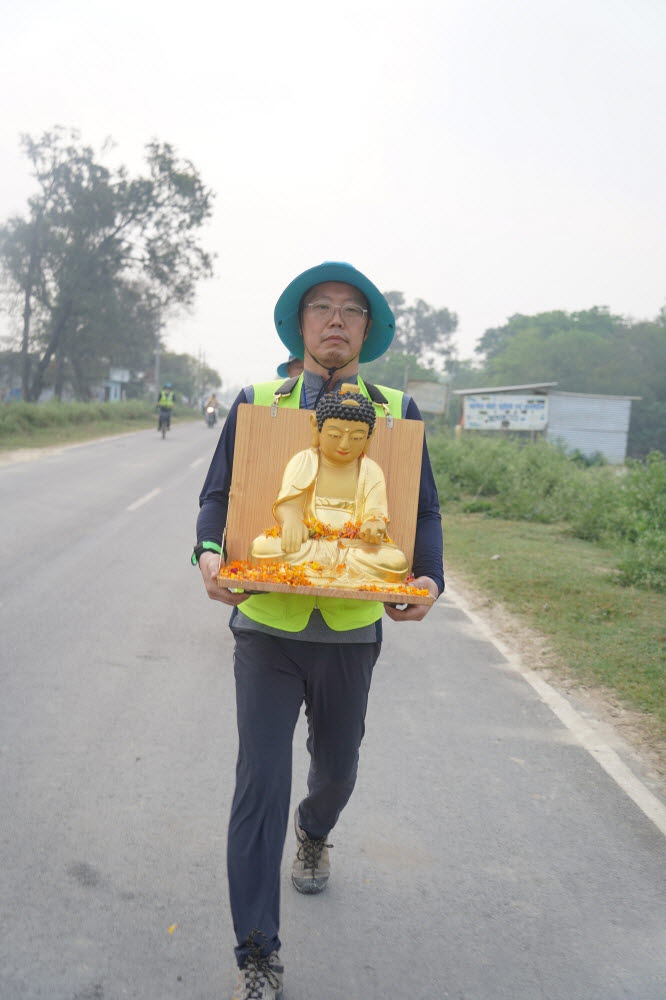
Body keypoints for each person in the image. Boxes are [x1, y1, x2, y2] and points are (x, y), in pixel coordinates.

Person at [193, 261, 444, 1000]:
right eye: (321, 309)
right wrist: (211, 556)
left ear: (367, 330)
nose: (336, 320)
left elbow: (420, 513)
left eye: (351, 311)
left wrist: (428, 576)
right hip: (267, 625)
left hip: (352, 627)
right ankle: (257, 953)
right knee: (258, 784)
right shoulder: (257, 403)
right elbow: (218, 501)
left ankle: (316, 830)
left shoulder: (396, 413)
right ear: (300, 327)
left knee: (335, 772)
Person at [249, 389, 409, 586]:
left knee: (397, 562)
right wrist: (291, 521)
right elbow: (288, 504)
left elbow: (376, 510)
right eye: (334, 434)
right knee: (262, 548)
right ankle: (337, 575)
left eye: (357, 438)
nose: (344, 444)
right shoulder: (305, 461)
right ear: (316, 428)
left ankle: (322, 573)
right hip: (309, 543)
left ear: (369, 437)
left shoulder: (370, 470)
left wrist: (374, 523)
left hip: (353, 547)